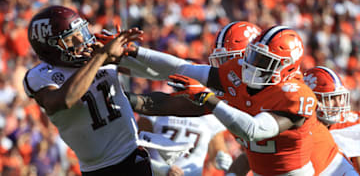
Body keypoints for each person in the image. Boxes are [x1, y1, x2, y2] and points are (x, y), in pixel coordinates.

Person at [121, 25, 356, 175]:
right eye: (251, 56)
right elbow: (181, 72)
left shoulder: (295, 94)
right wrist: (132, 54)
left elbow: (253, 131)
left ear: (285, 66)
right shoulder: (240, 77)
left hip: (325, 170)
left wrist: (209, 98)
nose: (249, 65)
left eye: (260, 59)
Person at [22, 5, 152, 176]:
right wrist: (101, 56)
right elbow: (65, 99)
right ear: (50, 47)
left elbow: (149, 71)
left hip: (134, 156)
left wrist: (133, 53)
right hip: (98, 169)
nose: (81, 40)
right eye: (69, 38)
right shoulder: (41, 75)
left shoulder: (96, 51)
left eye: (80, 32)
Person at [304, 66, 360, 174]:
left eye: (339, 97)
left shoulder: (352, 124)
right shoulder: (299, 129)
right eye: (330, 98)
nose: (338, 104)